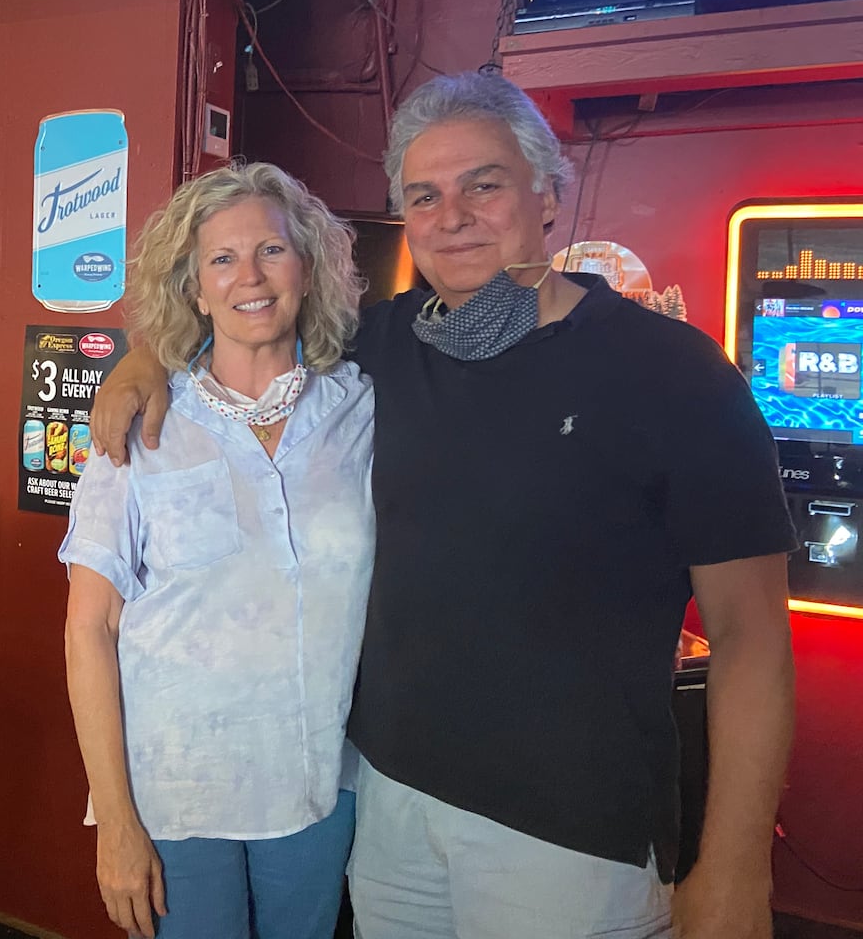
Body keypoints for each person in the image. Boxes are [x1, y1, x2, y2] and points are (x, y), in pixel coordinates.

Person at [92, 72, 795, 939]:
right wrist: (142, 358)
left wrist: (732, 867)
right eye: (426, 195)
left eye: (484, 184)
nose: (453, 214)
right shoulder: (382, 347)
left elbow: (754, 641)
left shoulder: (676, 375)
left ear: (548, 192)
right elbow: (238, 311)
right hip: (390, 812)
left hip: (570, 837)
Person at [61, 163, 374, 939]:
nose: (250, 277)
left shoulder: (364, 410)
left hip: (318, 785)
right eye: (222, 260)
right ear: (194, 289)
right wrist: (118, 824)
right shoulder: (137, 426)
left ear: (307, 266)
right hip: (175, 794)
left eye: (271, 250)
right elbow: (88, 632)